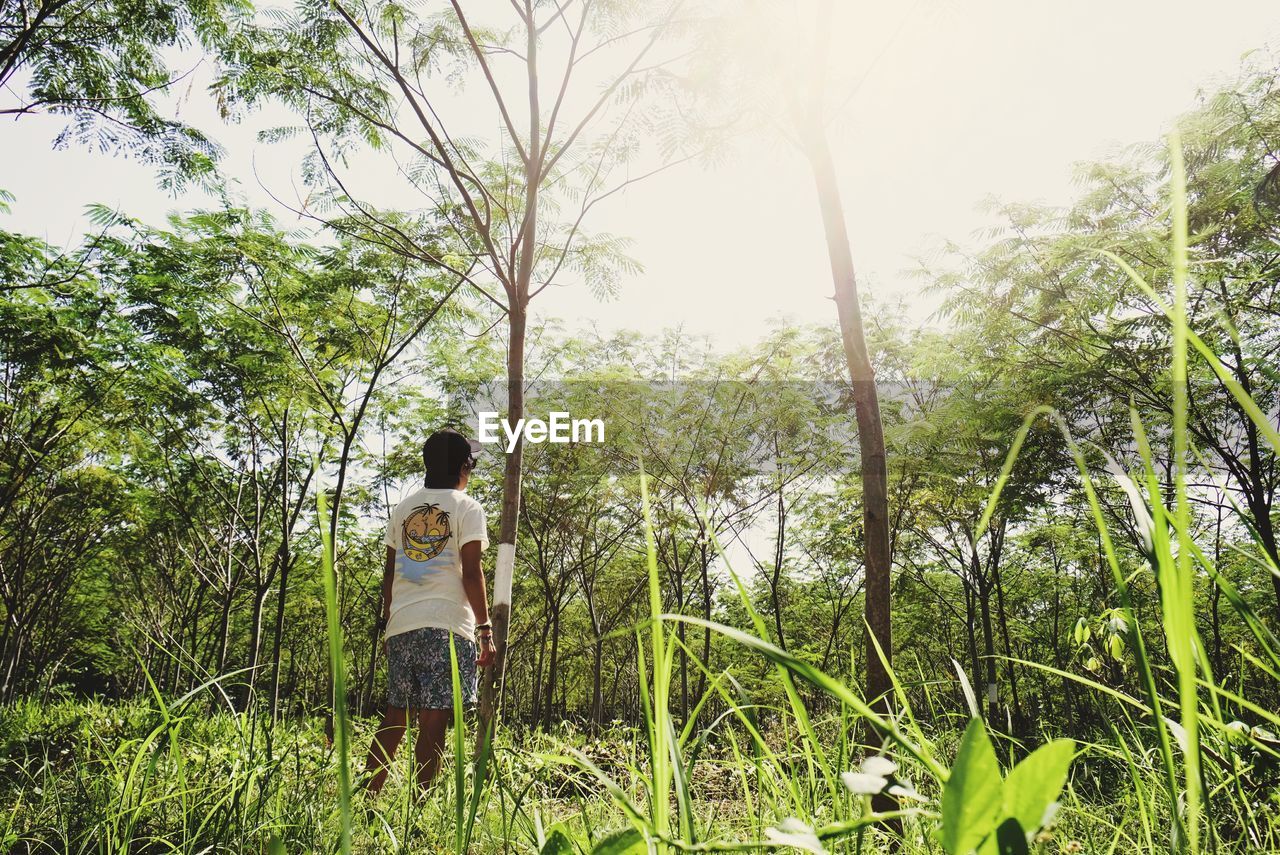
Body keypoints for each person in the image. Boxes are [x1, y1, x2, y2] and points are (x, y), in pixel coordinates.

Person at [361, 428, 497, 794]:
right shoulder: (468, 508)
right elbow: (472, 572)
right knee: (434, 718)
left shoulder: (404, 509)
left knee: (396, 715)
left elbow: (390, 572)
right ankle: (421, 805)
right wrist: (485, 629)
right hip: (447, 624)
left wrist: (389, 624)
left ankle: (366, 795)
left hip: (403, 623)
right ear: (463, 467)